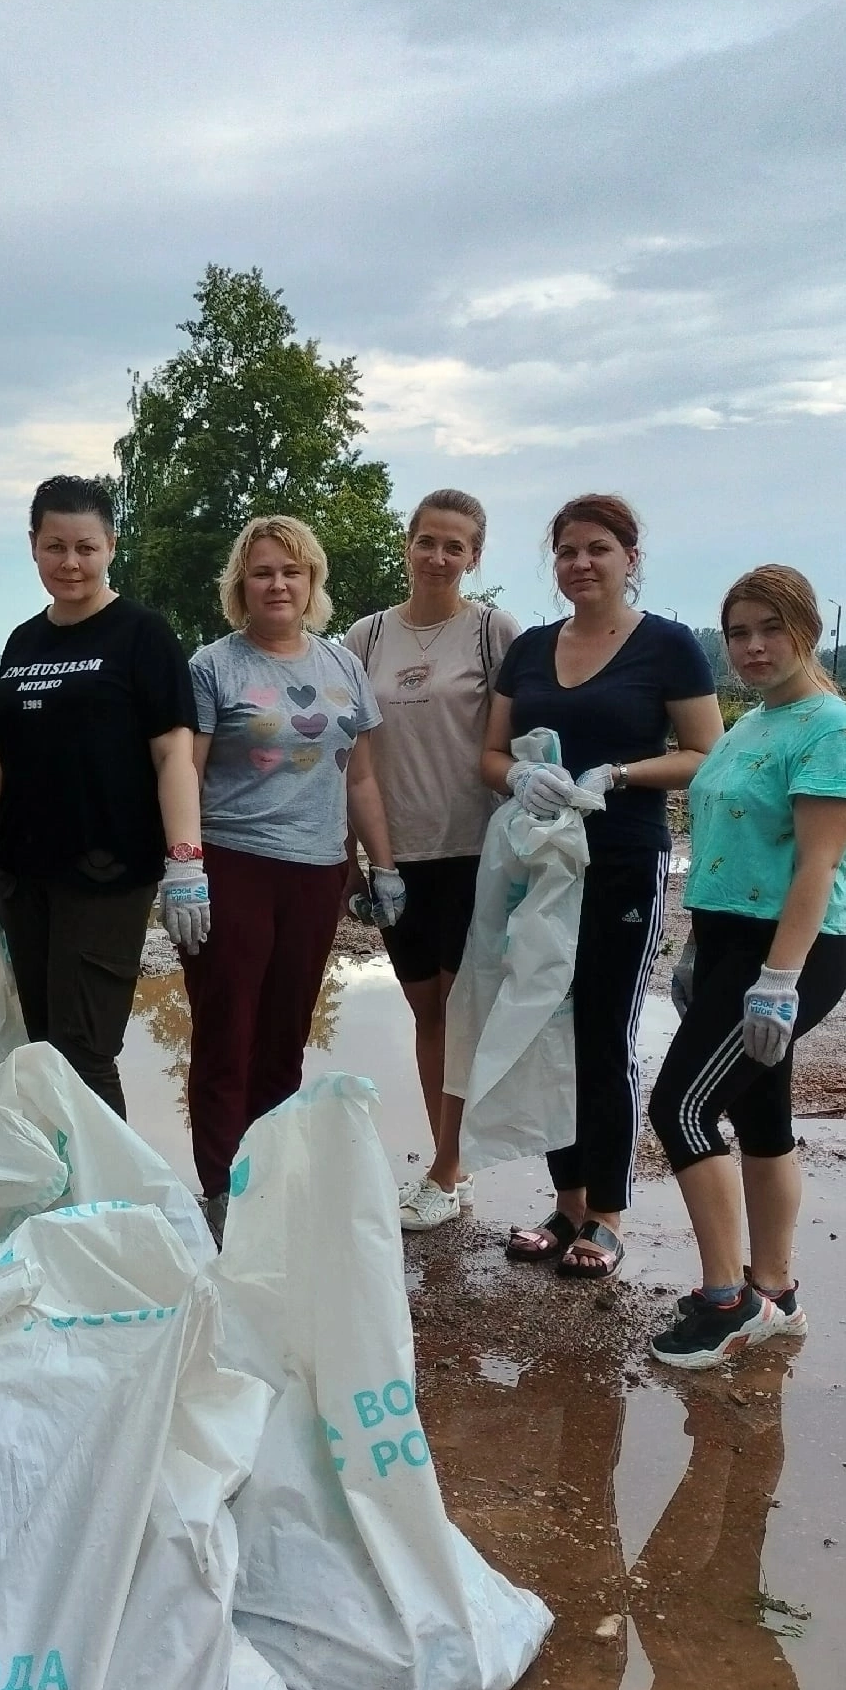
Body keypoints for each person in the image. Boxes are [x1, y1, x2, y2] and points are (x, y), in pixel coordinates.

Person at [645, 564, 846, 1369]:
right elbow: (724, 844)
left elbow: (818, 866)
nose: (751, 647)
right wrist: (699, 952)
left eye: (768, 629)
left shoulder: (832, 732)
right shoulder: (752, 725)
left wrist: (777, 983)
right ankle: (774, 1291)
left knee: (679, 1108)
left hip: (787, 956)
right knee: (759, 1116)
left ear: (807, 629)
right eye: (739, 632)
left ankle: (726, 1302)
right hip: (729, 947)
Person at [484, 494, 722, 1280]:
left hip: (623, 858)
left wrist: (619, 775)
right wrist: (521, 775)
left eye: (598, 549)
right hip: (541, 865)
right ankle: (567, 1200)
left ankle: (608, 1216)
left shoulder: (668, 647)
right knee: (547, 1024)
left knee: (605, 1030)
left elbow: (702, 752)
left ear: (630, 558)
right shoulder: (530, 649)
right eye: (567, 552)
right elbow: (488, 755)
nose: (581, 564)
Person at [184, 515, 406, 1224]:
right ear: (240, 586)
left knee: (285, 1032)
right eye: (262, 572)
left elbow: (362, 779)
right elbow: (183, 775)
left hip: (319, 872)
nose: (277, 583)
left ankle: (272, 1175)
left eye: (292, 571)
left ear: (312, 582)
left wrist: (383, 865)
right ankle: (222, 1188)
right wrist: (181, 864)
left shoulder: (342, 666)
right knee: (228, 1032)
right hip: (233, 864)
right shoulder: (213, 667)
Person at [0, 475, 203, 1116]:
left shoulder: (141, 634)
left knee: (85, 1047)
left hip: (107, 872)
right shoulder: (24, 642)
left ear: (110, 546)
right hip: (27, 876)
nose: (70, 562)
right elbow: (3, 765)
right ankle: (60, 1190)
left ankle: (117, 1202)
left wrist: (186, 861)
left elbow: (173, 755)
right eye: (55, 547)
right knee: (40, 1044)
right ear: (33, 547)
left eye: (85, 547)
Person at [342, 490, 522, 1231]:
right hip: (396, 853)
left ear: (474, 556)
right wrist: (355, 858)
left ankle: (447, 1170)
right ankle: (451, 1159)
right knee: (425, 1012)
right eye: (428, 542)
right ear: (407, 545)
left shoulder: (493, 633)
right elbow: (345, 750)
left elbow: (525, 734)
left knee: (459, 1010)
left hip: (473, 848)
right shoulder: (366, 636)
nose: (440, 557)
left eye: (456, 546)